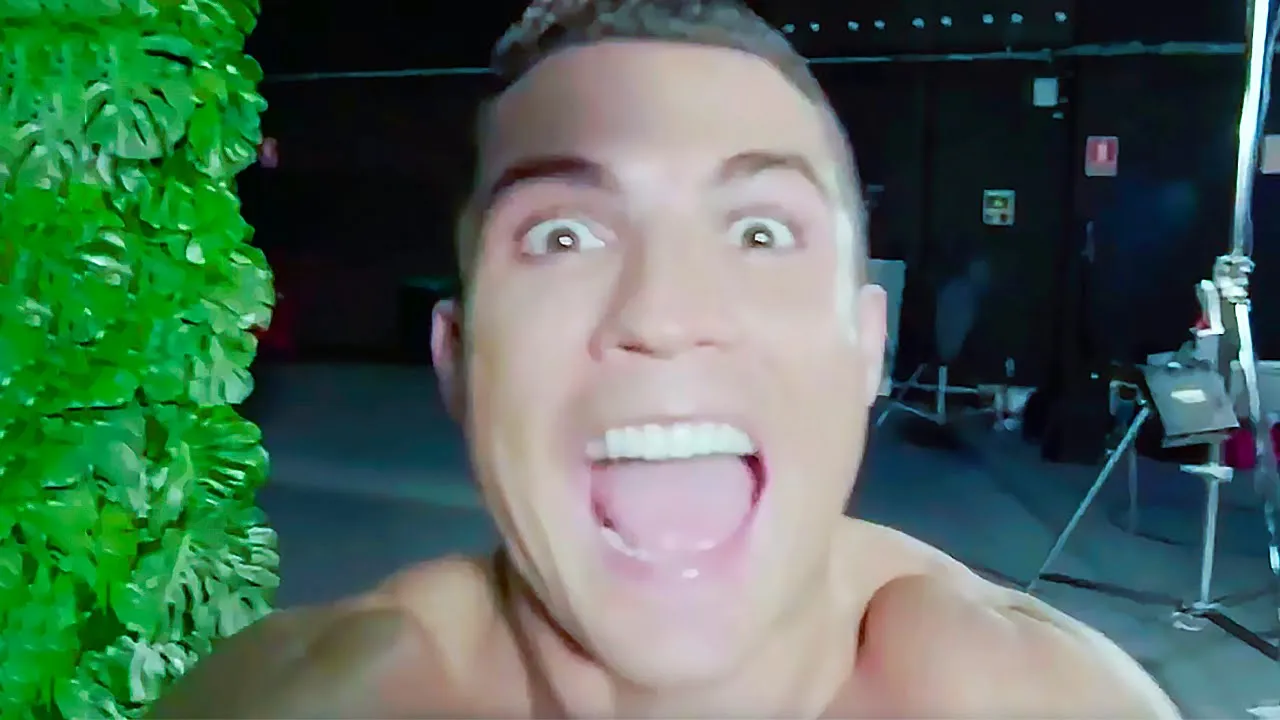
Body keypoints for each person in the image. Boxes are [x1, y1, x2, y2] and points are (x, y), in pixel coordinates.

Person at [150, 1, 1181, 717]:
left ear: (866, 346)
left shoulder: (1040, 700)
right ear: (456, 360)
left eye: (760, 232)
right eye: (562, 236)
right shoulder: (300, 703)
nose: (665, 313)